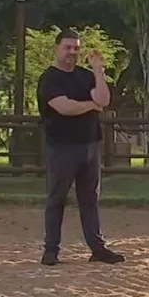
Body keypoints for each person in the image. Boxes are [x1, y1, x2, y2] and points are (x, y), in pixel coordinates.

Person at [36, 29, 125, 266]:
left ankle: (97, 248)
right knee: (57, 198)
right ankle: (51, 249)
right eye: (67, 47)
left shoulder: (86, 77)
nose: (72, 52)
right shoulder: (49, 79)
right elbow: (64, 107)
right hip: (61, 147)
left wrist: (98, 70)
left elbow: (104, 100)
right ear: (57, 48)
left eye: (76, 48)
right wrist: (91, 105)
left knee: (90, 199)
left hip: (89, 144)